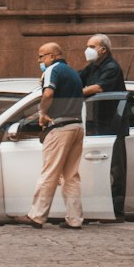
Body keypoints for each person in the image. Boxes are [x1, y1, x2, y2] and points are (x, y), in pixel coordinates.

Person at [24, 41, 85, 229]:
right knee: (71, 176)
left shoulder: (53, 70)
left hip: (59, 127)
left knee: (49, 172)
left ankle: (37, 215)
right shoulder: (73, 73)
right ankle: (74, 219)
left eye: (41, 56)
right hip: (77, 126)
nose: (39, 60)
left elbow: (48, 94)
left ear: (52, 56)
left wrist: (42, 113)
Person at [78, 33, 127, 218]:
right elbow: (78, 77)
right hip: (96, 124)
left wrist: (75, 92)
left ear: (103, 49)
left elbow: (97, 88)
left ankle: (116, 211)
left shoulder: (111, 67)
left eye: (91, 46)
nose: (88, 50)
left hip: (113, 125)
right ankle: (98, 209)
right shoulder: (92, 67)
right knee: (96, 169)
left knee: (115, 169)